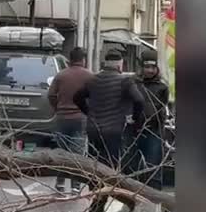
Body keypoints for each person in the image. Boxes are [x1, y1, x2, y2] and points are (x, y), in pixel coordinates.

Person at [73, 50, 145, 170]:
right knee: (111, 165)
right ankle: (108, 187)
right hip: (113, 130)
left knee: (94, 164)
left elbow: (77, 97)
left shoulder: (92, 80)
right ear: (119, 65)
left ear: (105, 64)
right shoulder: (125, 81)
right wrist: (134, 118)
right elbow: (139, 100)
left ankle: (94, 187)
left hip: (94, 129)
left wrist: (88, 112)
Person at [47, 47, 94, 192]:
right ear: (83, 60)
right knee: (77, 154)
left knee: (62, 153)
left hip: (62, 118)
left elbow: (51, 95)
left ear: (70, 60)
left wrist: (57, 108)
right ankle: (76, 185)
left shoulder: (61, 75)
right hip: (80, 119)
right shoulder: (90, 76)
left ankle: (60, 184)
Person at [134, 49, 170, 190]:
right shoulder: (133, 84)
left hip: (154, 133)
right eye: (146, 67)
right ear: (141, 67)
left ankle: (154, 206)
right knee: (131, 170)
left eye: (153, 67)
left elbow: (164, 107)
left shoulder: (162, 87)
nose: (149, 70)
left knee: (154, 170)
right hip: (134, 132)